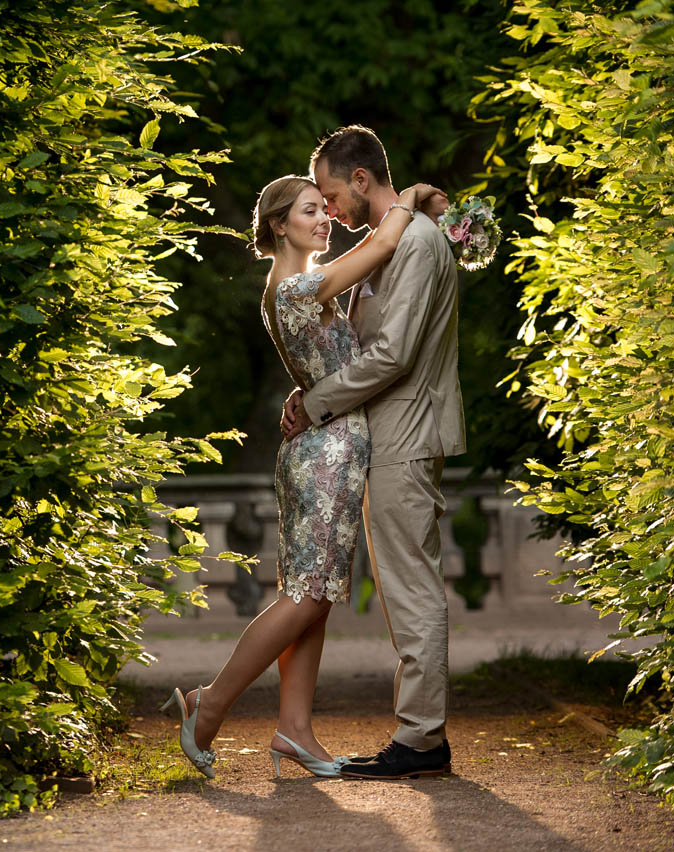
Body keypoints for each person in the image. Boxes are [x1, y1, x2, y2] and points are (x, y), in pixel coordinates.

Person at [163, 172, 447, 779]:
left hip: (327, 449)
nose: (324, 220)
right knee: (304, 598)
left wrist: (308, 390)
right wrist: (413, 196)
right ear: (278, 225)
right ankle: (207, 704)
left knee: (313, 600)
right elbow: (378, 246)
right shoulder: (295, 288)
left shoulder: (296, 287)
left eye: (324, 209)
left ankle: (294, 730)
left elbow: (328, 354)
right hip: (324, 454)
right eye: (310, 211)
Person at [282, 125, 466, 780]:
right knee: (404, 586)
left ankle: (421, 741)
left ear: (361, 180)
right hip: (391, 435)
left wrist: (318, 401)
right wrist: (314, 391)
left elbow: (393, 355)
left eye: (331, 195)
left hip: (409, 435)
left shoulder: (414, 243)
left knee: (413, 588)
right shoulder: (389, 242)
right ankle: (421, 736)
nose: (329, 209)